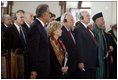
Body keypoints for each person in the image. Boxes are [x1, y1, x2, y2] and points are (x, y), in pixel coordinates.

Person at [26, 4, 51, 79]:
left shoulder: (41, 26)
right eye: (49, 12)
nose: (50, 14)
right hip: (39, 69)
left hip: (43, 67)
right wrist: (33, 69)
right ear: (44, 14)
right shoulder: (36, 27)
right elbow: (32, 50)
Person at [74, 10, 98, 79]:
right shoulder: (78, 29)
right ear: (81, 18)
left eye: (89, 15)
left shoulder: (87, 28)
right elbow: (79, 46)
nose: (89, 17)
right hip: (85, 62)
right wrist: (81, 61)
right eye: (87, 16)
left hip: (92, 61)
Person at [60, 12, 78, 78]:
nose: (74, 21)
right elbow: (62, 51)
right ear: (65, 21)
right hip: (67, 66)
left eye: (73, 19)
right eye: (71, 20)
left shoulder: (72, 31)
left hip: (74, 65)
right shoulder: (61, 32)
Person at [92, 12, 107, 78]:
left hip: (102, 58)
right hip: (98, 59)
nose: (104, 21)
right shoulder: (95, 31)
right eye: (102, 20)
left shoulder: (100, 31)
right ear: (97, 21)